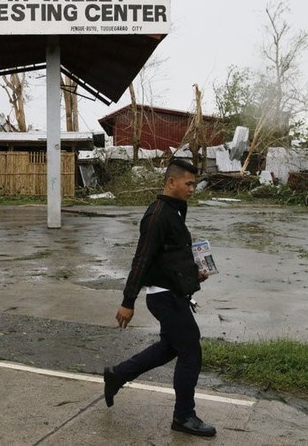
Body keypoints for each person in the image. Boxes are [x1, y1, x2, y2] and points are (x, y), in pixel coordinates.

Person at [103, 158, 216, 438]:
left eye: (194, 184)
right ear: (171, 182)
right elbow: (142, 259)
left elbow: (170, 257)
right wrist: (128, 301)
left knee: (170, 347)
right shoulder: (157, 215)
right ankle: (183, 416)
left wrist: (194, 274)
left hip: (173, 293)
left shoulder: (176, 212)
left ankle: (117, 374)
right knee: (191, 350)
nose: (192, 189)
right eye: (188, 184)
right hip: (163, 297)